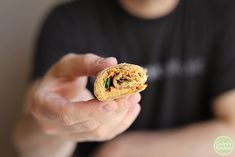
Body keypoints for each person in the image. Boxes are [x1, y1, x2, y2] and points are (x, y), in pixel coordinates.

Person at [13, 0, 235, 157]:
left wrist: (123, 151)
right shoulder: (66, 22)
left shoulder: (223, 14)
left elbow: (229, 143)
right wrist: (52, 123)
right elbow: (28, 149)